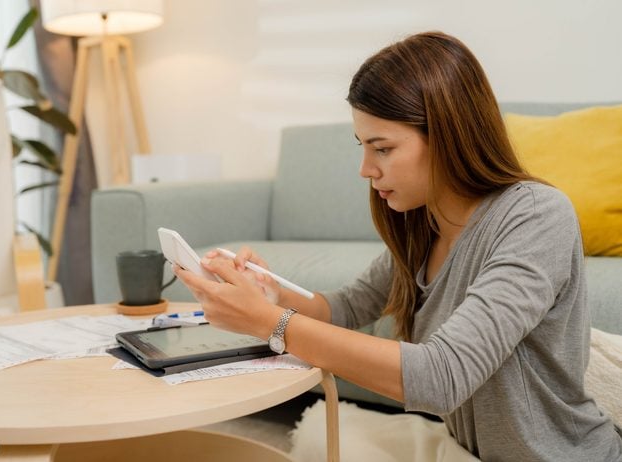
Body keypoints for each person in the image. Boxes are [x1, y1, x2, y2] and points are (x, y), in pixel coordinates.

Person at [173, 31, 622, 461]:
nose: (365, 169)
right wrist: (270, 294)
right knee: (319, 432)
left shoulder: (537, 216)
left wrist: (271, 322)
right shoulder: (423, 224)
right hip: (466, 450)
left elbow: (442, 376)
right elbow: (345, 307)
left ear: (448, 135)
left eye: (382, 148)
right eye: (363, 147)